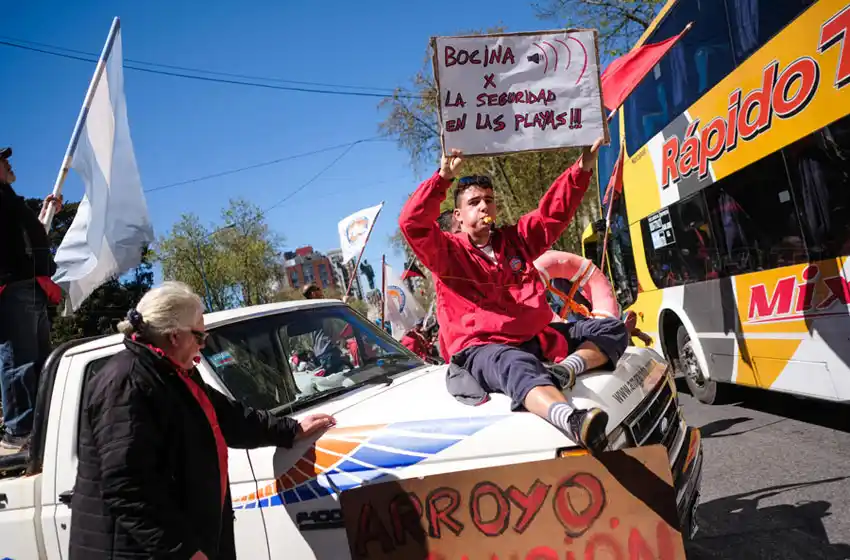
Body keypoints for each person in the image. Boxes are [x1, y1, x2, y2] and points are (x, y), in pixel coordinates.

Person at [69, 281, 335, 559]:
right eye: (199, 336)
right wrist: (183, 551)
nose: (202, 345)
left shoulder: (171, 373)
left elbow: (229, 417)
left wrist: (290, 430)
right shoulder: (127, 383)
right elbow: (128, 486)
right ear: (174, 336)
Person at [399, 140, 628, 453]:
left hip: (536, 335)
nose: (484, 207)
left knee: (611, 328)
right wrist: (443, 178)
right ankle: (573, 421)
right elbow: (411, 224)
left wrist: (584, 164)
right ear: (459, 215)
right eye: (475, 202)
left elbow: (551, 215)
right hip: (485, 349)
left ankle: (565, 370)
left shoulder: (516, 239)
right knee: (516, 363)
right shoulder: (447, 253)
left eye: (489, 201)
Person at [0, 146, 63, 455]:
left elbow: (23, 233)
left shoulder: (10, 201)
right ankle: (19, 432)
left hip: (31, 286)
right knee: (20, 362)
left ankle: (39, 427)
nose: (8, 162)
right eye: (2, 159)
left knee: (40, 364)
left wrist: (45, 212)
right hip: (12, 288)